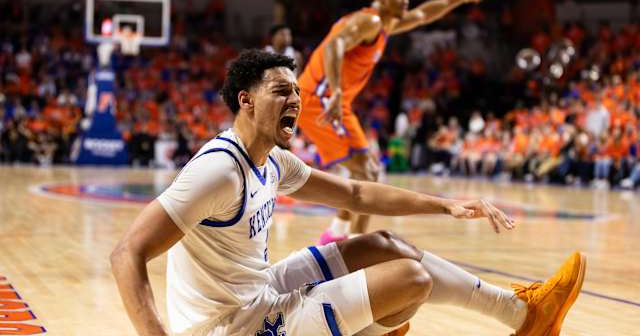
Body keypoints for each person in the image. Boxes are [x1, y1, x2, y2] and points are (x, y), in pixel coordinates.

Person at [111, 50, 586, 336]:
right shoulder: (219, 171)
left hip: (257, 290)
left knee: (387, 247)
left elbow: (356, 194)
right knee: (410, 281)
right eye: (281, 91)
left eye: (297, 91)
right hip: (233, 326)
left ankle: (525, 315)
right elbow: (127, 253)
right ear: (246, 101)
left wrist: (446, 206)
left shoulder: (272, 160)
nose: (295, 100)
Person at [297, 0, 493, 244]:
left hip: (334, 101)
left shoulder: (385, 26)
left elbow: (424, 13)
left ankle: (336, 235)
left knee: (368, 171)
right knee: (366, 173)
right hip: (318, 99)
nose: (406, 1)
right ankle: (353, 245)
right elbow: (334, 45)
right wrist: (337, 89)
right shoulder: (370, 20)